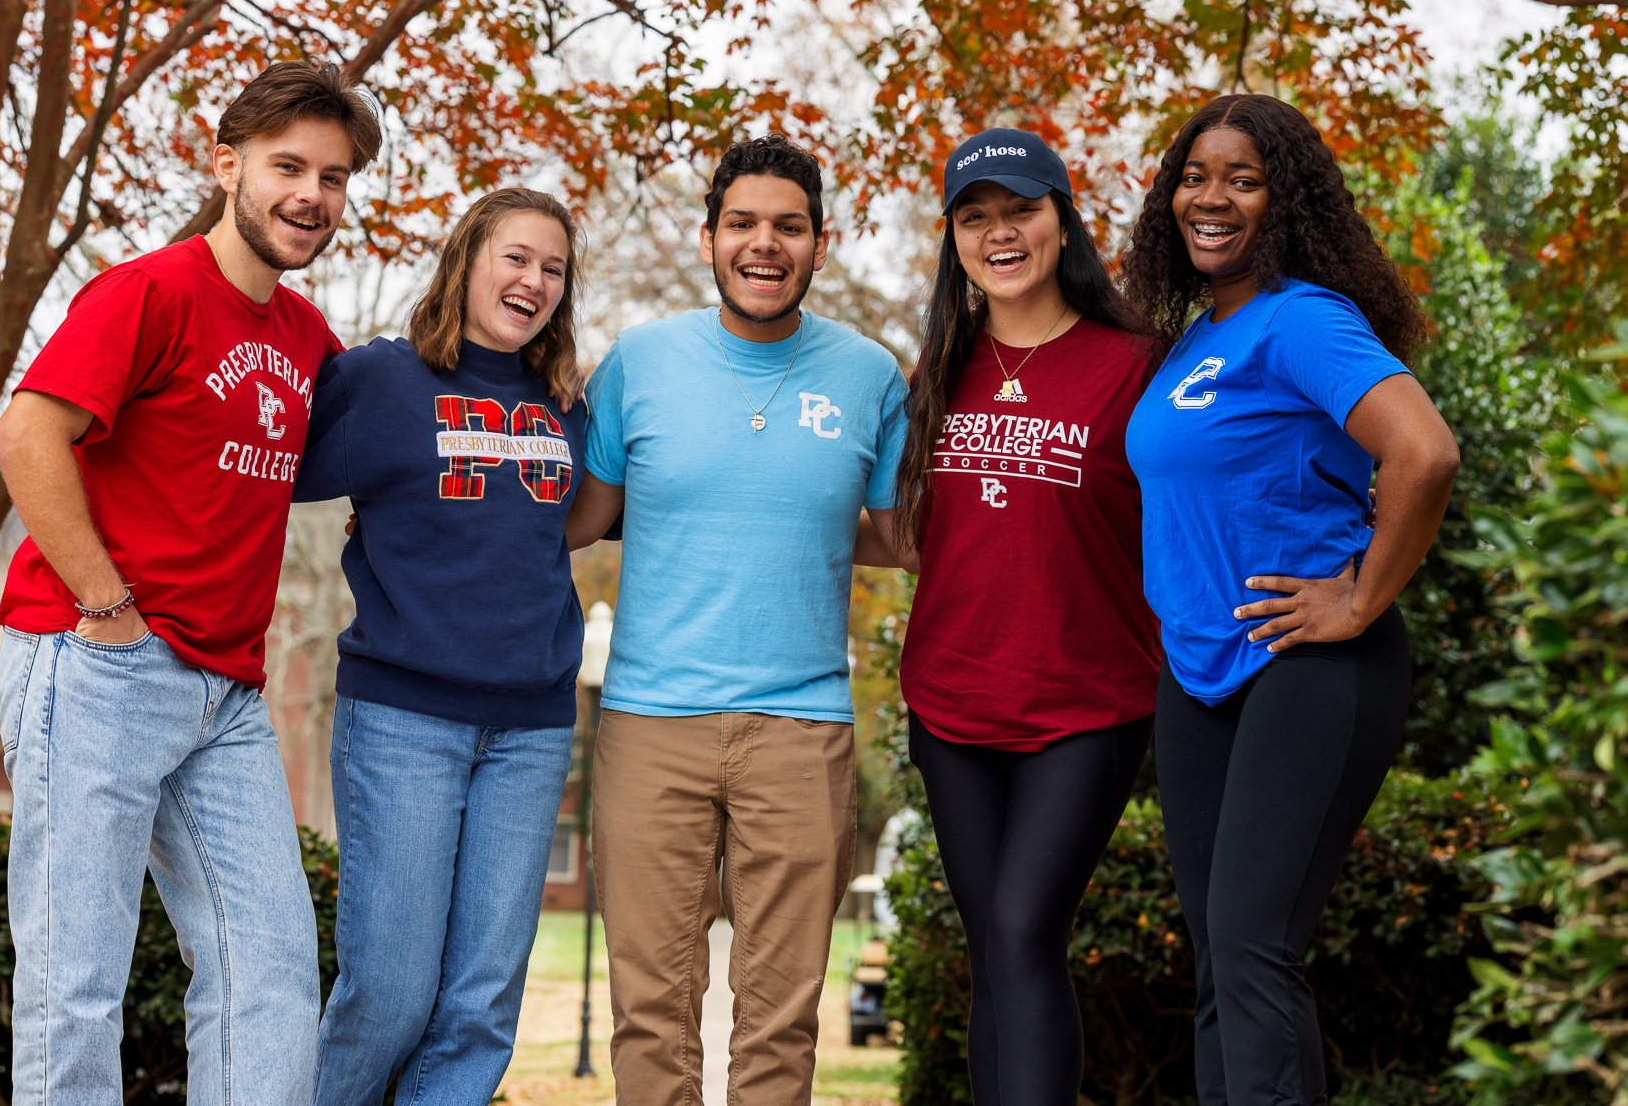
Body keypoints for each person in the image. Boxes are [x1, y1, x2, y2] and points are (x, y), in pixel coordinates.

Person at [0, 60, 379, 1105]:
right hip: (99, 659)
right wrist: (105, 606)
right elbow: (27, 430)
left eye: (333, 177)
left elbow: (377, 453)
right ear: (226, 167)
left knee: (271, 970)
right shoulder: (150, 291)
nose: (310, 194)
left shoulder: (304, 339)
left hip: (226, 690)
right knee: (75, 979)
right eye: (288, 166)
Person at [1121, 93, 1461, 1106]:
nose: (1209, 197)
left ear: (1286, 200)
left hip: (1307, 663)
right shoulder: (1190, 338)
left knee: (1252, 946)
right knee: (1221, 961)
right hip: (1200, 674)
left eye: (1241, 177)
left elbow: (1423, 451)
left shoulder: (1301, 318)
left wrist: (1355, 599)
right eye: (1192, 175)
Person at [564, 133, 909, 1106]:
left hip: (803, 728)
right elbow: (578, 520)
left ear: (818, 242)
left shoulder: (870, 377)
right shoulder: (637, 361)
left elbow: (897, 536)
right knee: (651, 1010)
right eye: (744, 224)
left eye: (788, 227)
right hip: (647, 720)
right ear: (708, 235)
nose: (766, 245)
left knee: (777, 1016)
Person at [855, 128, 1161, 1106]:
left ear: (1059, 221)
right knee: (995, 948)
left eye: (1019, 209)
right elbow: (909, 532)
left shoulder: (1137, 363)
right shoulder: (936, 371)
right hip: (950, 704)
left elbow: (1193, 510)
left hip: (1087, 702)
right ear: (951, 237)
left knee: (1025, 929)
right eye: (973, 215)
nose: (999, 231)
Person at [293, 188, 587, 1106]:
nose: (533, 281)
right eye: (516, 257)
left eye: (553, 268)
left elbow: (564, 531)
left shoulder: (565, 403)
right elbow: (258, 465)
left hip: (531, 728)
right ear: (466, 260)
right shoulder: (380, 380)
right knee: (388, 993)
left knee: (480, 1007)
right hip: (402, 720)